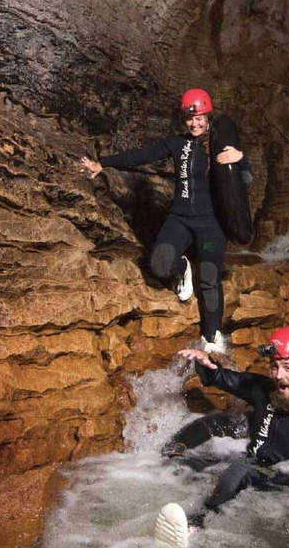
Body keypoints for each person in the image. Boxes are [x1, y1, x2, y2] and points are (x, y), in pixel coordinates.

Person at [152, 326, 289, 547]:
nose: (279, 375)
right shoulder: (266, 390)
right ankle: (171, 460)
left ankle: (197, 524)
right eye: (274, 367)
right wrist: (207, 365)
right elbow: (229, 379)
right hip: (255, 460)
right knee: (212, 434)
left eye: (287, 367)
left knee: (240, 471)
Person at [81, 89, 245, 354]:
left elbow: (243, 180)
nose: (195, 123)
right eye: (190, 119)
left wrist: (240, 158)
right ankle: (183, 266)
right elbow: (140, 155)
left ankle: (212, 337)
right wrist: (103, 164)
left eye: (200, 118)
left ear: (208, 116)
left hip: (210, 224)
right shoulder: (176, 144)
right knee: (158, 264)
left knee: (210, 280)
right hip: (179, 219)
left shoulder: (219, 145)